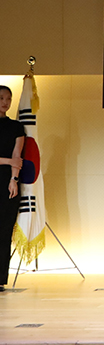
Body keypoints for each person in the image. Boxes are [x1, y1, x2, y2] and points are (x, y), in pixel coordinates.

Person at [0, 86, 24, 292]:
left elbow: (18, 155)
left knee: (5, 230)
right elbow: (12, 159)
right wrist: (9, 161)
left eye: (8, 98)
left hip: (7, 182)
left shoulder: (16, 127)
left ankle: (0, 278)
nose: (5, 102)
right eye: (1, 98)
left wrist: (14, 179)